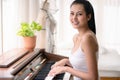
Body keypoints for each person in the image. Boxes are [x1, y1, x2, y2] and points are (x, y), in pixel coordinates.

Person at [47, 0, 99, 80]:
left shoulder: (87, 38)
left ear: (88, 17)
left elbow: (93, 77)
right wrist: (66, 61)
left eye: (79, 14)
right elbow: (82, 66)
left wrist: (66, 69)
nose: (74, 18)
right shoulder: (76, 37)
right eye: (72, 13)